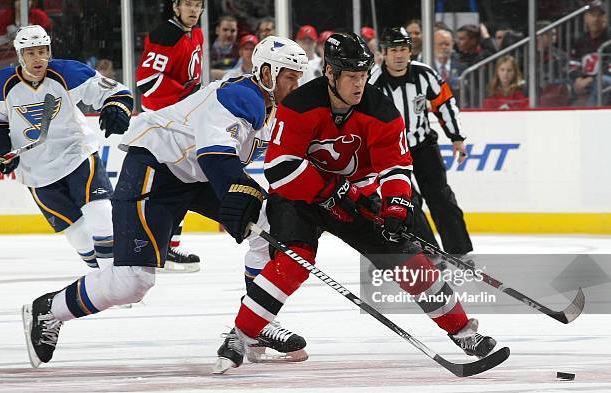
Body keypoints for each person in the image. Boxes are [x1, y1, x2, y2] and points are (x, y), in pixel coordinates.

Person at [213, 33, 497, 374]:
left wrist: (395, 206)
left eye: (362, 75)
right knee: (294, 262)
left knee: (408, 259)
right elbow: (279, 167)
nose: (359, 84)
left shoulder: (379, 108)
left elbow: (396, 165)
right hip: (298, 198)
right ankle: (240, 335)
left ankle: (463, 331)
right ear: (330, 74)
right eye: (351, 76)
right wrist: (329, 190)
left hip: (354, 198)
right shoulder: (300, 105)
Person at [22, 36, 311, 369]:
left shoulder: (272, 106)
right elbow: (217, 157)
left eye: (298, 76)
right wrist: (238, 191)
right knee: (132, 282)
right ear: (266, 72)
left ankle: (256, 323)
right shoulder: (242, 98)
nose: (296, 84)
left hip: (194, 174)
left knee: (269, 224)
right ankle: (49, 309)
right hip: (156, 167)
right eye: (290, 75)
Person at [0, 25, 132, 270]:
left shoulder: (67, 72)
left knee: (101, 214)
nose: (37, 58)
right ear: (20, 55)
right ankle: (102, 278)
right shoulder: (3, 84)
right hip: (36, 171)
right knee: (78, 235)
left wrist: (116, 106)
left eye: (42, 51)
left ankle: (115, 278)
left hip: (77, 154)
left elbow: (117, 91)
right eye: (30, 52)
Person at [370, 27, 473, 257]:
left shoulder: (425, 74)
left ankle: (460, 252)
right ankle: (430, 253)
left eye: (403, 49)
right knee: (409, 203)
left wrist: (456, 137)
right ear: (384, 53)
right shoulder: (373, 82)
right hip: (392, 152)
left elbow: (445, 103)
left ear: (410, 51)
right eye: (394, 50)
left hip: (424, 145)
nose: (399, 55)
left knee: (441, 198)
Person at [136, 0, 204, 272]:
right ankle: (159, 247)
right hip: (162, 123)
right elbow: (147, 82)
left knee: (182, 181)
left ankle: (167, 246)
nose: (193, 10)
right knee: (173, 182)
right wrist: (187, 99)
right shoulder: (166, 35)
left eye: (198, 5)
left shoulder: (195, 34)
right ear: (175, 6)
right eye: (187, 3)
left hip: (181, 120)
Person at [569, 0, 611, 106]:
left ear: (605, 18)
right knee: (560, 86)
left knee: (603, 81)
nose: (595, 19)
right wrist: (577, 79)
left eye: (599, 16)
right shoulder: (581, 39)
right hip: (584, 81)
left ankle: (590, 113)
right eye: (592, 15)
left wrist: (589, 79)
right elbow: (573, 63)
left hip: (605, 80)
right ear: (586, 18)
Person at [434, 29, 467, 102]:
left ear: (452, 45)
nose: (444, 47)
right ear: (433, 45)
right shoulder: (426, 66)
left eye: (447, 44)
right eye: (440, 44)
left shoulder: (462, 66)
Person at [210, 15, 239, 80]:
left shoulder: (242, 51)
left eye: (233, 31)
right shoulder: (205, 49)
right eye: (225, 30)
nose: (229, 34)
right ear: (217, 30)